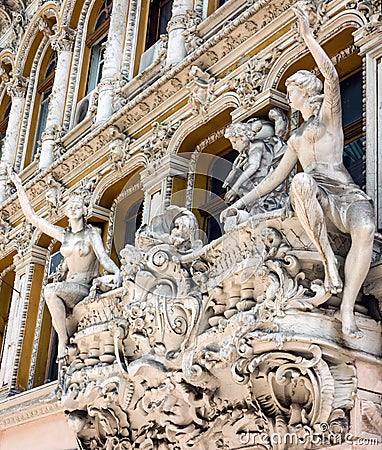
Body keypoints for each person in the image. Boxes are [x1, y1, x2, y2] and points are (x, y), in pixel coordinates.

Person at [223, 3, 375, 338]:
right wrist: (238, 203)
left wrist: (308, 37)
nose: (288, 96)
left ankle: (347, 307)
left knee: (365, 228)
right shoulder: (294, 139)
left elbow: (332, 76)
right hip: (315, 196)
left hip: (345, 193)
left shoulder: (328, 120)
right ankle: (330, 264)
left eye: (292, 90)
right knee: (300, 181)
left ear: (305, 92)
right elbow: (275, 179)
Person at [7, 167, 121, 358]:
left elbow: (103, 258)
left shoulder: (92, 234)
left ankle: (63, 340)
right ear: (67, 212)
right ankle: (63, 337)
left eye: (78, 206)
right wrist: (19, 185)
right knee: (51, 292)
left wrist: (116, 272)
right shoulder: (64, 235)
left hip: (84, 287)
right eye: (71, 206)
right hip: (69, 287)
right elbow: (33, 218)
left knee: (50, 291)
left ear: (84, 210)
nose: (74, 208)